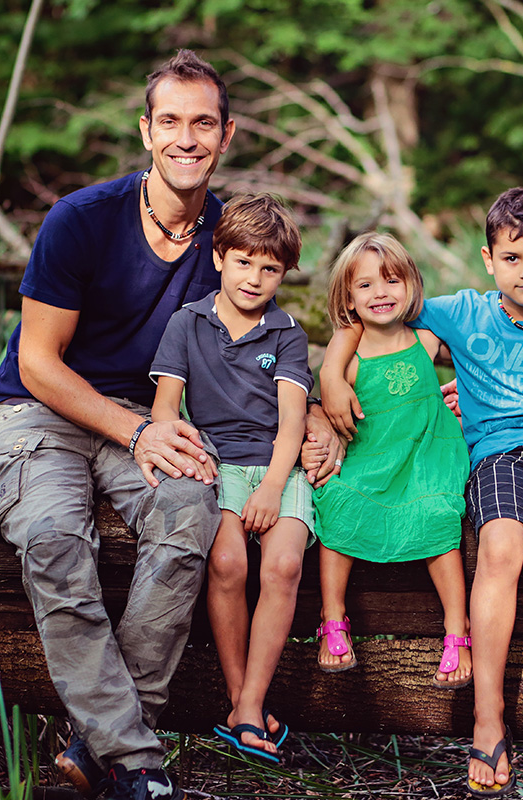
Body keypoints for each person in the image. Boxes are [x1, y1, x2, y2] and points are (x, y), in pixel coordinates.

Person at [0, 52, 340, 800]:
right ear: (146, 131)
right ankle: (136, 760)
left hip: (149, 421)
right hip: (38, 413)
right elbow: (39, 363)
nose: (186, 137)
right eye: (169, 120)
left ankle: (100, 743)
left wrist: (324, 409)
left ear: (226, 134)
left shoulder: (230, 238)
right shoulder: (83, 220)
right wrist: (135, 433)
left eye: (203, 122)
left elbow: (278, 339)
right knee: (53, 535)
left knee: (189, 517)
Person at [322, 189, 523, 799]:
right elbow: (369, 317)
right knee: (497, 549)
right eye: (513, 258)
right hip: (497, 454)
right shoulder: (459, 312)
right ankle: (487, 718)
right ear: (488, 260)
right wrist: (330, 382)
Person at [149, 193, 312, 765]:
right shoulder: (187, 323)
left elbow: (293, 420)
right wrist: (193, 458)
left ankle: (248, 703)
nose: (255, 277)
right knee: (226, 563)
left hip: (277, 466)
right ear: (218, 257)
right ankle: (244, 702)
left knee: (284, 564)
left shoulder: (287, 333)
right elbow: (166, 407)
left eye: (270, 268)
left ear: (284, 274)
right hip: (215, 463)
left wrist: (272, 486)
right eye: (244, 262)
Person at [311, 232, 472, 688]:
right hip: (372, 452)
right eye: (364, 286)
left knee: (438, 513)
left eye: (391, 281)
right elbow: (328, 379)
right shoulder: (350, 341)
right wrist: (332, 380)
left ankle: (457, 629)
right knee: (338, 502)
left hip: (426, 451)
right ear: (348, 296)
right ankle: (334, 617)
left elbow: (475, 364)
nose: (380, 293)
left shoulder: (426, 338)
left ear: (411, 284)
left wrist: (467, 396)